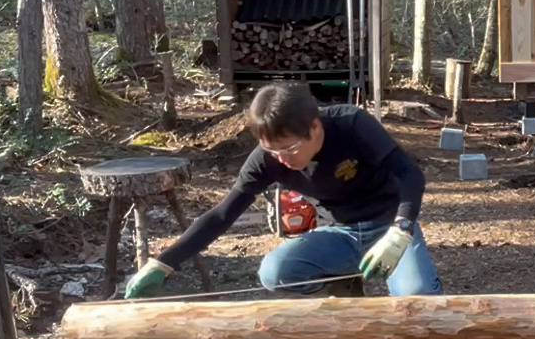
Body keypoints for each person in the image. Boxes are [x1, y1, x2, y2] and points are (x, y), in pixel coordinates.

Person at [124, 82, 442, 299]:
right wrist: (163, 263)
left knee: (417, 298)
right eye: (272, 150)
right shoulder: (268, 159)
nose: (282, 159)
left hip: (390, 228)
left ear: (314, 127)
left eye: (289, 148)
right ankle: (342, 285)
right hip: (340, 234)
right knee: (275, 272)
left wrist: (401, 230)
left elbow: (409, 173)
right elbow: (222, 214)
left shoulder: (351, 124)